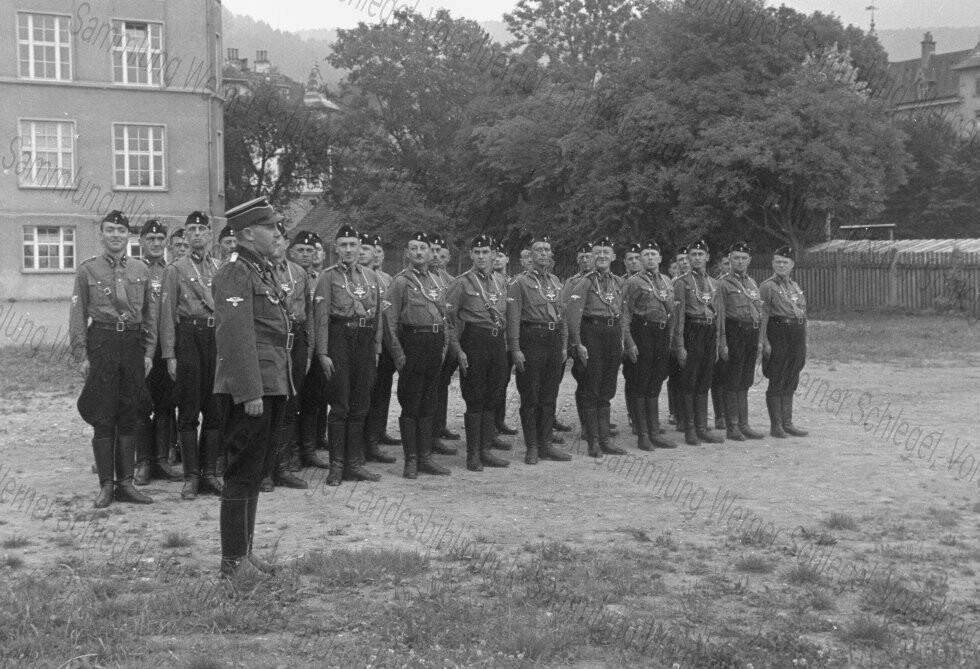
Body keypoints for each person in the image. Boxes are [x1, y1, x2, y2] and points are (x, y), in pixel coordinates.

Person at [212, 196, 293, 579]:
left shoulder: (259, 269)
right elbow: (234, 335)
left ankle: (243, 553)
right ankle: (232, 562)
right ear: (247, 233)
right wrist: (250, 391)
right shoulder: (236, 271)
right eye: (270, 227)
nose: (277, 233)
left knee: (256, 469)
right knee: (242, 472)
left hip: (271, 381)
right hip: (251, 388)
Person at [69, 210, 156, 508]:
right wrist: (81, 354)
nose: (116, 235)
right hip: (102, 342)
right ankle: (106, 486)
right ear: (102, 234)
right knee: (103, 414)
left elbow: (150, 315)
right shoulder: (87, 270)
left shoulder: (141, 269)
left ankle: (126, 483)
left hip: (132, 344)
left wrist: (149, 352)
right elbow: (77, 316)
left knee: (130, 411)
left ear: (128, 235)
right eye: (110, 230)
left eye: (120, 230)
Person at [313, 224, 384, 486]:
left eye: (353, 245)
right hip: (339, 339)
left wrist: (376, 349)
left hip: (364, 342)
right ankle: (337, 465)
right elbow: (321, 317)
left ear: (360, 247)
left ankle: (354, 463)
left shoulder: (371, 277)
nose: (348, 250)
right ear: (335, 248)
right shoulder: (327, 277)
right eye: (343, 245)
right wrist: (323, 352)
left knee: (360, 403)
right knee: (340, 404)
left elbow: (378, 316)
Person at [160, 211, 224, 499]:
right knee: (188, 410)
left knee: (214, 408)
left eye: (202, 229)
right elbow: (166, 315)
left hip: (216, 338)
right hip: (189, 337)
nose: (197, 234)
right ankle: (191, 477)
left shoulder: (220, 267)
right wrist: (170, 355)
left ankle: (210, 474)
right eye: (192, 230)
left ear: (210, 234)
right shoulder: (175, 270)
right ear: (185, 235)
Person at [384, 232, 453, 478]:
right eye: (414, 248)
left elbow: (445, 318)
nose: (419, 252)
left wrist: (444, 346)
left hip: (434, 344)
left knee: (429, 401)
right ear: (407, 253)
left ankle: (425, 457)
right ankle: (411, 460)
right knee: (411, 402)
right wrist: (398, 353)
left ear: (431, 252)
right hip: (412, 343)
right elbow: (389, 321)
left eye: (423, 248)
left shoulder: (437, 281)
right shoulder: (400, 282)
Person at [445, 234, 510, 471]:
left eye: (486, 252)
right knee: (475, 397)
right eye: (477, 252)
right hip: (474, 340)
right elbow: (448, 319)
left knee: (493, 395)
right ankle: (473, 454)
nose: (481, 257)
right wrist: (458, 349)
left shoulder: (500, 281)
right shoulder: (462, 283)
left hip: (496, 342)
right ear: (471, 255)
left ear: (494, 255)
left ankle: (486, 450)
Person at [506, 235, 572, 464]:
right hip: (531, 338)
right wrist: (515, 348)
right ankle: (532, 446)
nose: (543, 253)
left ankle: (546, 444)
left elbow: (562, 314)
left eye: (546, 250)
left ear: (551, 255)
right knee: (531, 395)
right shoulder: (519, 283)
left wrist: (564, 344)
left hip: (553, 340)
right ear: (531, 256)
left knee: (549, 395)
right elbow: (513, 318)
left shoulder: (555, 281)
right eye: (538, 250)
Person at [262, 226, 314, 491]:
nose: (275, 243)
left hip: (296, 340)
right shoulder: (258, 271)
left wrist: (309, 347)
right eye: (271, 238)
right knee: (269, 404)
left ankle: (282, 467)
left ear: (286, 243)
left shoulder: (299, 273)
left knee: (291, 403)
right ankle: (265, 471)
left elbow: (308, 311)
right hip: (271, 341)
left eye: (279, 238)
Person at [565, 237, 626, 457]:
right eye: (597, 252)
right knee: (592, 387)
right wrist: (578, 343)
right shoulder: (585, 282)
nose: (601, 256)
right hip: (592, 333)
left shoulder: (618, 282)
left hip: (612, 333)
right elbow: (573, 314)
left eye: (605, 252)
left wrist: (622, 338)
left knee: (607, 388)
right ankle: (593, 442)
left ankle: (605, 439)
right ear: (592, 257)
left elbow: (622, 312)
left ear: (613, 257)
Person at [134, 219, 182, 485]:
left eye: (160, 239)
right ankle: (143, 462)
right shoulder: (133, 269)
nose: (155, 243)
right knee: (141, 404)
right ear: (141, 241)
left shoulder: (172, 271)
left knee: (166, 403)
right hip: (141, 348)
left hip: (166, 347)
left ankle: (162, 460)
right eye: (150, 238)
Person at [621, 241, 678, 450]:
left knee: (655, 382)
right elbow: (625, 314)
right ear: (641, 259)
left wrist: (670, 337)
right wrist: (629, 342)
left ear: (660, 258)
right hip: (642, 332)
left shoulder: (667, 281)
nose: (650, 258)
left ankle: (655, 432)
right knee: (640, 383)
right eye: (646, 255)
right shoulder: (634, 282)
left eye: (654, 254)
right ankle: (643, 434)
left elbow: (671, 312)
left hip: (661, 334)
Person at [671, 240, 726, 446]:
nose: (696, 258)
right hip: (692, 330)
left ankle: (702, 428)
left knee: (704, 380)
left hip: (709, 331)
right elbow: (678, 317)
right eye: (693, 254)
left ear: (707, 257)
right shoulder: (682, 283)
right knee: (689, 381)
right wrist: (680, 345)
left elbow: (718, 315)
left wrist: (719, 342)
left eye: (700, 254)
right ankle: (690, 429)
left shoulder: (715, 284)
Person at [759, 246, 809, 438]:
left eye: (785, 262)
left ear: (792, 264)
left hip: (796, 334)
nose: (781, 265)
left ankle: (788, 423)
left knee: (792, 377)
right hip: (778, 332)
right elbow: (763, 314)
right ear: (772, 264)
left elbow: (803, 314)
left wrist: (804, 340)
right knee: (777, 377)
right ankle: (776, 425)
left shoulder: (795, 286)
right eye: (778, 262)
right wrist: (764, 341)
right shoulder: (767, 286)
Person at [291, 232, 330, 469]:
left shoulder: (320, 279)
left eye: (310, 251)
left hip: (316, 347)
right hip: (296, 346)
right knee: (293, 400)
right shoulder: (289, 276)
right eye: (301, 251)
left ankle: (309, 449)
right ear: (291, 252)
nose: (306, 255)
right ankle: (293, 452)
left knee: (313, 400)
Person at [719, 242, 765, 440]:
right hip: (734, 332)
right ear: (730, 259)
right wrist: (722, 342)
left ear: (749, 260)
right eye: (736, 258)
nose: (740, 261)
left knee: (745, 379)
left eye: (743, 258)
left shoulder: (752, 283)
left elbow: (759, 311)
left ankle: (744, 424)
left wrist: (760, 339)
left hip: (751, 333)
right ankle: (732, 426)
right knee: (733, 379)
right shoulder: (723, 284)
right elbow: (720, 316)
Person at [363, 233, 399, 464]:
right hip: (368, 340)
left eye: (378, 251)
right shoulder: (362, 279)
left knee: (383, 390)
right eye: (370, 250)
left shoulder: (387, 279)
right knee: (367, 392)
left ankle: (378, 431)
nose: (375, 255)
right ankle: (366, 440)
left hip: (385, 341)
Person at [430, 235, 461, 447]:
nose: (435, 257)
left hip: (448, 338)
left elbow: (455, 313)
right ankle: (430, 434)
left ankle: (440, 426)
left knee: (443, 384)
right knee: (431, 385)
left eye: (440, 253)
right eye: (432, 251)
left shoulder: (451, 281)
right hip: (430, 338)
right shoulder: (417, 280)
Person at [620, 242, 644, 433]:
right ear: (625, 262)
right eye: (630, 259)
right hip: (627, 332)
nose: (634, 262)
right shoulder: (620, 282)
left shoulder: (649, 281)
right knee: (633, 376)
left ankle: (645, 418)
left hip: (646, 331)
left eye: (637, 258)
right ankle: (634, 417)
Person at [666, 247, 689, 431]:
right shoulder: (674, 283)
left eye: (686, 259)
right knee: (676, 376)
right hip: (676, 332)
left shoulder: (698, 281)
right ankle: (676, 413)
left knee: (689, 375)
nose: (684, 262)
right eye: (680, 260)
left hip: (692, 331)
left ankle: (689, 415)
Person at [710, 254, 733, 430]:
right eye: (726, 263)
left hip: (737, 333)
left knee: (733, 378)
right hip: (721, 332)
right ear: (720, 266)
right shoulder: (715, 285)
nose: (730, 266)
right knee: (719, 378)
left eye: (731, 263)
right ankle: (720, 416)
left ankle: (732, 414)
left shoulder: (746, 284)